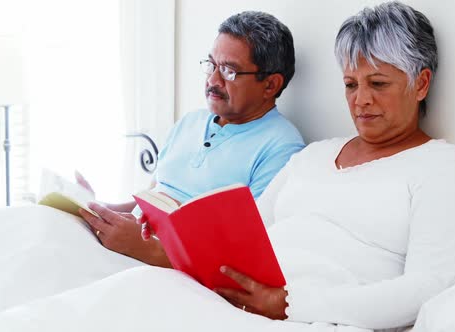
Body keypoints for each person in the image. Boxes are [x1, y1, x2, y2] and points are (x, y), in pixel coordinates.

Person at [0, 3, 455, 331]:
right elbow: (241, 228)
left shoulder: (439, 167)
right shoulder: (316, 156)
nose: (360, 100)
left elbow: (426, 288)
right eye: (351, 84)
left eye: (378, 84)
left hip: (290, 309)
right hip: (224, 292)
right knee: (88, 308)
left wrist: (290, 304)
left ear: (422, 83)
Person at [76, 11, 304, 267]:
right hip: (128, 251)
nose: (212, 80)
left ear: (270, 85)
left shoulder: (282, 149)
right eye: (211, 65)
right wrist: (97, 209)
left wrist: (148, 251)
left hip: (167, 273)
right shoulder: (190, 122)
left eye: (229, 71)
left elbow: (244, 258)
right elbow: (151, 199)